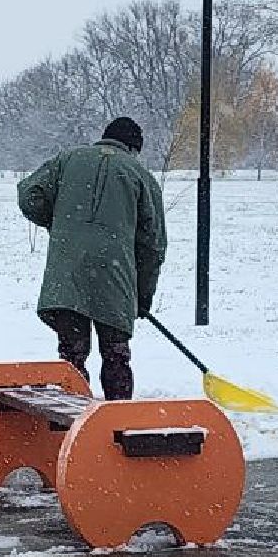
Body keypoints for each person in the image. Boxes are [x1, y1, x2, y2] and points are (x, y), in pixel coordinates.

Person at [17, 116, 166, 400]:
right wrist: (142, 297)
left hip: (67, 275)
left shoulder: (67, 160)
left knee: (71, 358)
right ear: (133, 148)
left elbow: (28, 194)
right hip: (114, 279)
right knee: (116, 357)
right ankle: (117, 423)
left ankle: (69, 425)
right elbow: (153, 247)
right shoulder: (140, 176)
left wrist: (60, 224)